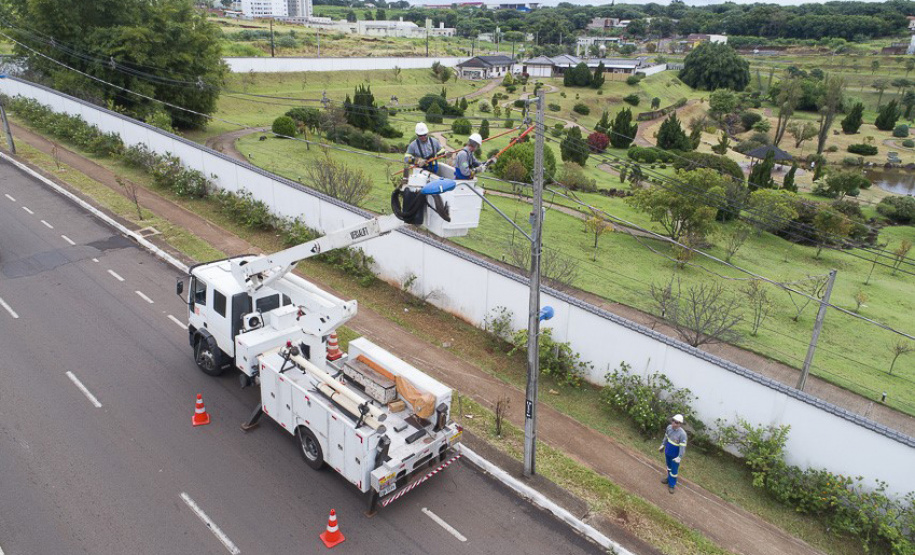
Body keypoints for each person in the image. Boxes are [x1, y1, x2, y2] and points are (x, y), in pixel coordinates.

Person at [659, 414, 687, 494]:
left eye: (676, 422)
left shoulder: (682, 434)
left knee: (674, 470)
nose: (674, 423)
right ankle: (668, 478)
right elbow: (666, 437)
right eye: (673, 420)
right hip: (668, 451)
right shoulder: (669, 428)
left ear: (679, 424)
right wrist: (663, 445)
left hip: (675, 455)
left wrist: (679, 457)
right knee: (669, 467)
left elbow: (682, 447)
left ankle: (671, 485)